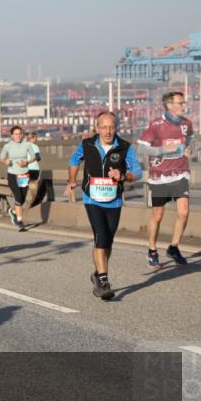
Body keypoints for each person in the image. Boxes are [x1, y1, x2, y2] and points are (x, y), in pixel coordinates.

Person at [65, 111, 142, 299]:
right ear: (96, 128)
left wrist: (123, 176)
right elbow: (73, 161)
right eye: (104, 127)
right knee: (100, 235)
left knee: (108, 240)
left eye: (111, 127)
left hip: (114, 200)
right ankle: (104, 281)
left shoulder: (124, 147)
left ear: (116, 128)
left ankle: (97, 273)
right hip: (92, 198)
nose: (108, 131)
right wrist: (72, 180)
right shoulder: (87, 145)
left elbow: (137, 172)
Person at [138, 91, 193, 268]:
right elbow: (142, 149)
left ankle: (174, 247)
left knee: (183, 212)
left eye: (183, 103)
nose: (183, 106)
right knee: (158, 215)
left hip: (180, 173)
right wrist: (163, 149)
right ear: (169, 105)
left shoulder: (187, 123)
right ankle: (152, 249)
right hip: (160, 176)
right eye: (180, 103)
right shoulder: (156, 125)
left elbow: (189, 141)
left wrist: (188, 150)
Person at [0, 126, 37, 231]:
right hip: (12, 174)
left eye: (20, 133)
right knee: (18, 195)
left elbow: (34, 157)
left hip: (24, 174)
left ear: (22, 134)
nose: (18, 136)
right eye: (16, 134)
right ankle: (19, 221)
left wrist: (26, 162)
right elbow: (2, 158)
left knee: (22, 199)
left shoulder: (27, 145)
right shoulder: (7, 146)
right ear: (12, 136)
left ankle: (14, 211)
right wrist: (5, 161)